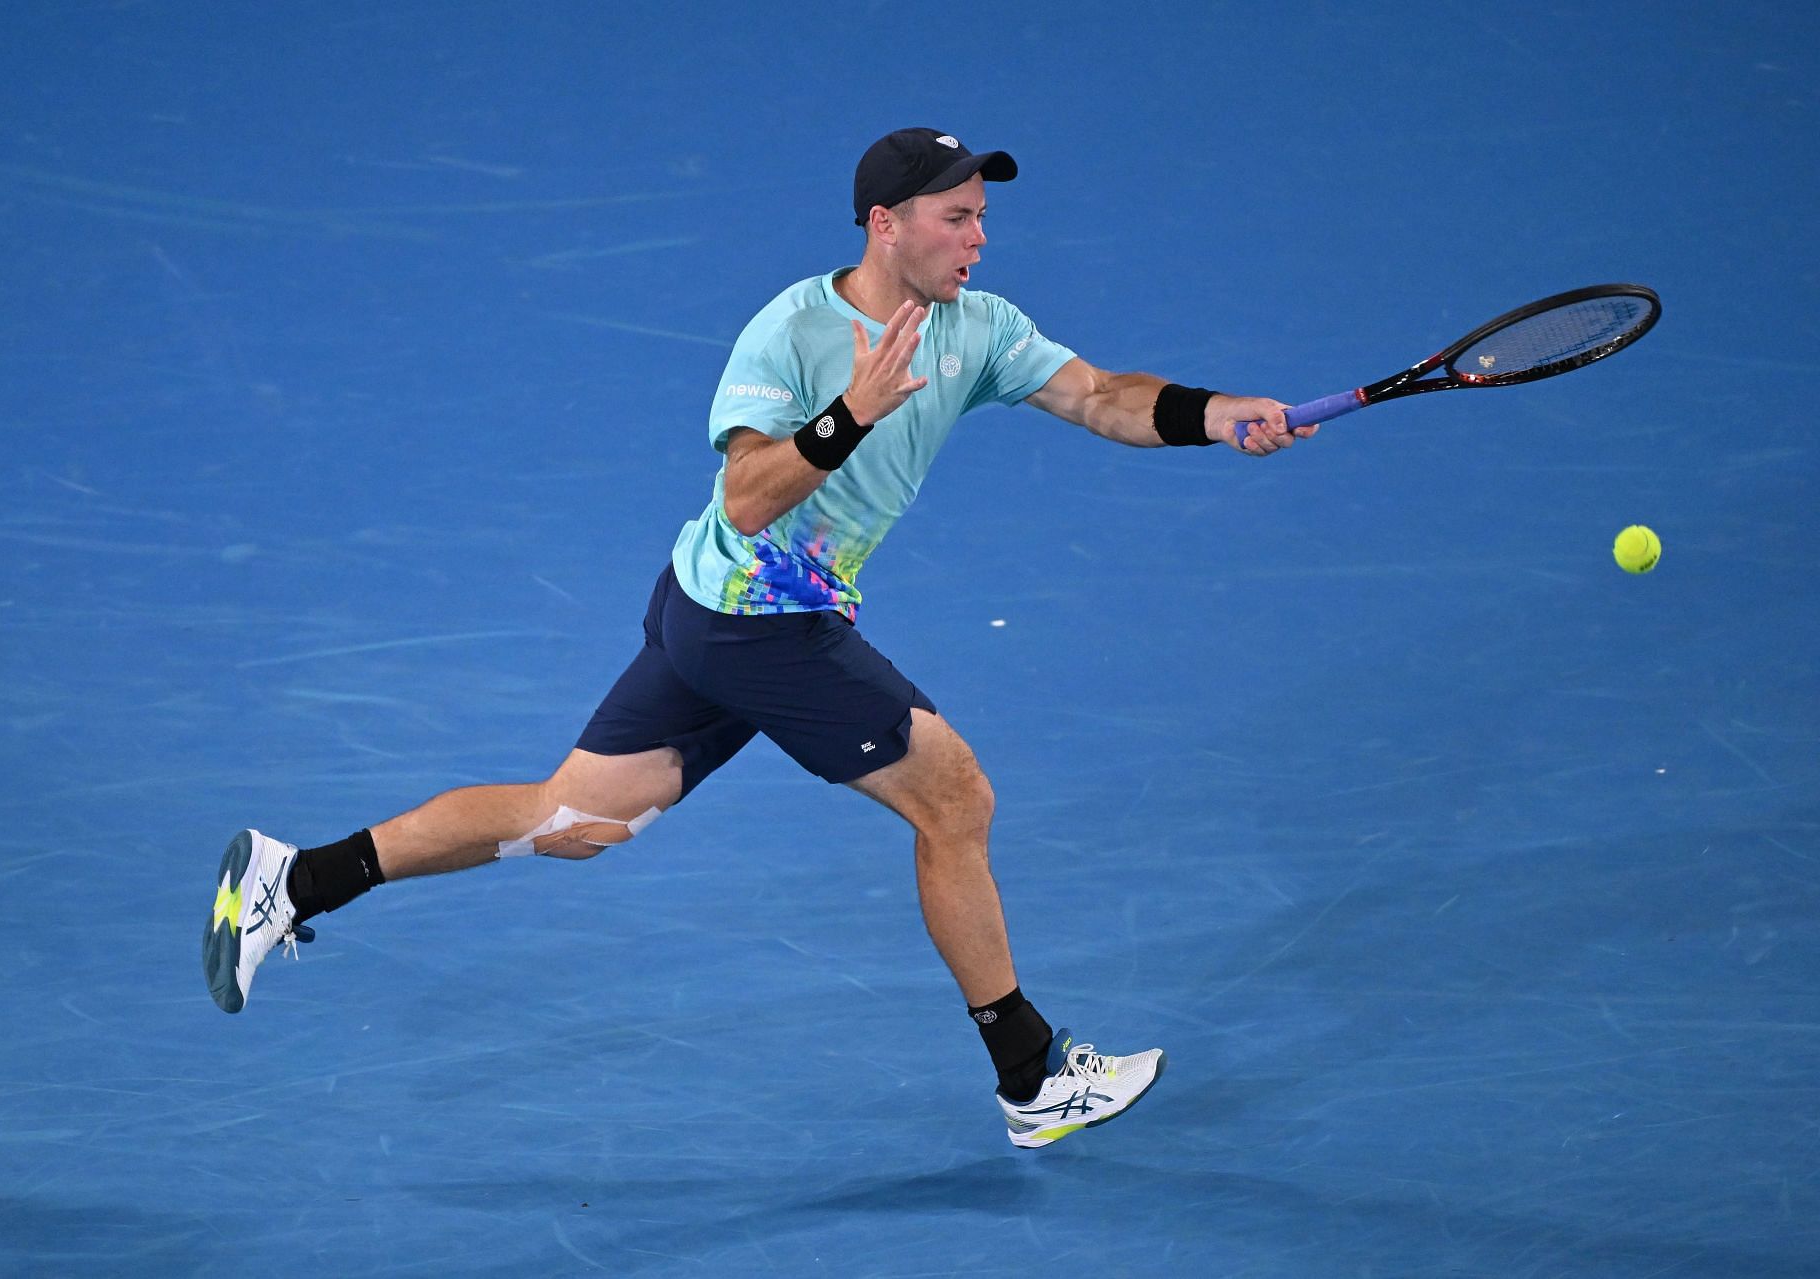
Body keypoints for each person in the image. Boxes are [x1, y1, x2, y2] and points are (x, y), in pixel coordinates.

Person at [203, 127, 1313, 1149]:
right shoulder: (793, 331)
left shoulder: (980, 328)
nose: (981, 236)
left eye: (982, 215)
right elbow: (745, 496)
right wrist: (852, 413)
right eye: (958, 217)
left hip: (707, 614)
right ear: (888, 225)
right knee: (954, 796)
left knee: (575, 820)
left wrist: (1221, 415)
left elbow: (1104, 396)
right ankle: (1030, 1076)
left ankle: (297, 879)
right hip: (755, 620)